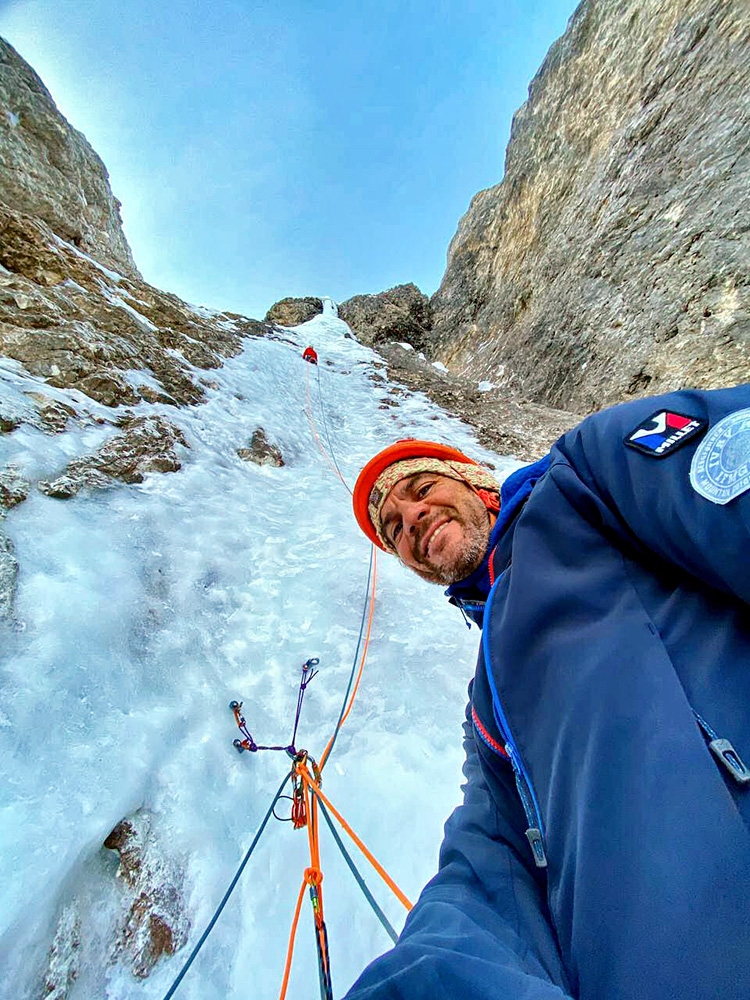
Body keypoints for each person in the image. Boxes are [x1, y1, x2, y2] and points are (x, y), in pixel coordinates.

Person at [345, 385, 750, 1000]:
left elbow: (726, 475)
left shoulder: (582, 479)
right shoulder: (488, 705)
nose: (411, 520)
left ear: (473, 480)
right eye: (395, 529)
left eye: (421, 490)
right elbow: (490, 863)